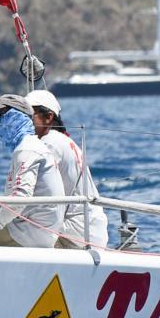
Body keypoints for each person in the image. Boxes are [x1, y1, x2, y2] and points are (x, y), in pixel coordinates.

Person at [0, 94, 64, 248]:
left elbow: (20, 198)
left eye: (0, 116)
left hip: (30, 233)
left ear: (18, 117)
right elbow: (10, 201)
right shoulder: (28, 147)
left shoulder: (27, 149)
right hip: (32, 229)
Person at [26, 90, 108, 248]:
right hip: (91, 231)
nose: (22, 121)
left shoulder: (49, 143)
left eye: (29, 116)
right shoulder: (64, 141)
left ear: (49, 117)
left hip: (74, 234)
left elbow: (30, 193)